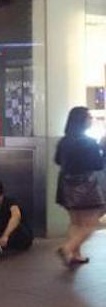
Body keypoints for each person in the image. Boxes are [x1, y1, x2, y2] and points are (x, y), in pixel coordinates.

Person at [55, 106, 106, 266]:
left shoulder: (64, 141)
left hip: (66, 186)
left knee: (76, 222)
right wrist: (101, 149)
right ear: (81, 120)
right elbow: (98, 165)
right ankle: (68, 248)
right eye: (89, 117)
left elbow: (57, 160)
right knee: (90, 224)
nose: (91, 120)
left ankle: (75, 255)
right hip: (85, 186)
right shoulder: (89, 142)